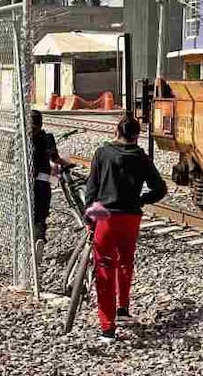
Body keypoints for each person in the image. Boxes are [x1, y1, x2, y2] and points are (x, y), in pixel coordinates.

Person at [83, 113, 167, 343]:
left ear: (117, 131)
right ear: (136, 136)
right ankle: (123, 309)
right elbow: (160, 188)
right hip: (131, 218)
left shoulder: (102, 153)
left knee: (104, 269)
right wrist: (142, 200)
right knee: (125, 262)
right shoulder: (142, 157)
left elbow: (91, 190)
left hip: (106, 217)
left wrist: (89, 218)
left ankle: (107, 327)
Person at [30, 110, 73, 242]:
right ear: (41, 123)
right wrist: (68, 163)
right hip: (42, 182)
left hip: (25, 181)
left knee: (28, 211)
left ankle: (31, 237)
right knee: (41, 212)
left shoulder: (22, 138)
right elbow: (55, 158)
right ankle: (39, 237)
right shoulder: (47, 138)